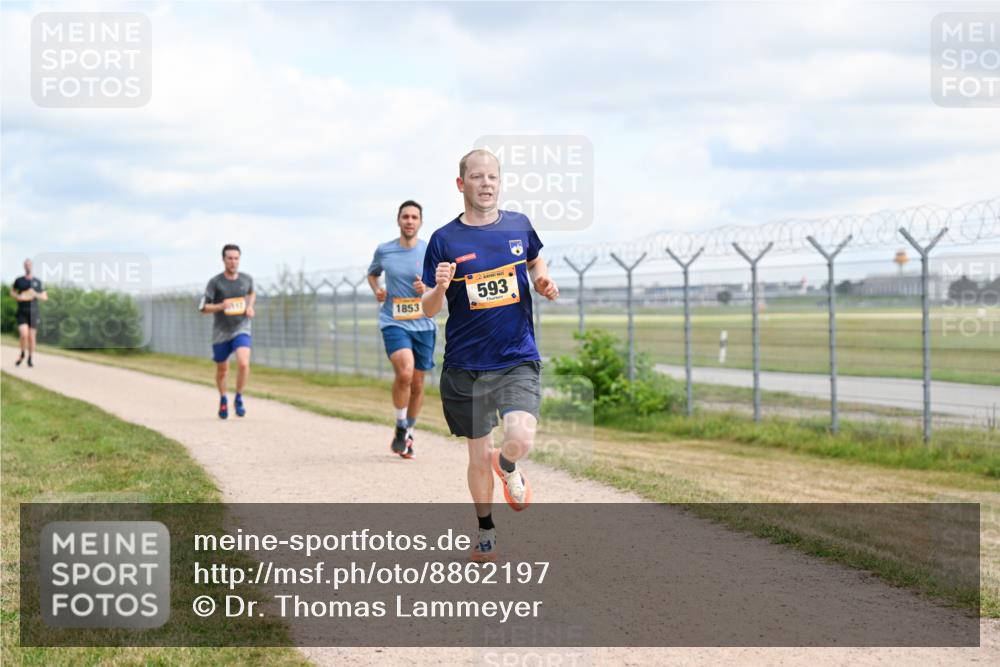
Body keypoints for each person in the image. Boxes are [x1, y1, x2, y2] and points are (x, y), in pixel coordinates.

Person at [421, 149, 559, 562]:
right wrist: (441, 286)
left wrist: (542, 280)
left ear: (500, 182)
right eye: (477, 177)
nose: (486, 184)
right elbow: (428, 308)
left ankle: (508, 463)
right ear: (461, 185)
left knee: (520, 437)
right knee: (476, 455)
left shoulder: (519, 225)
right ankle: (485, 530)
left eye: (492, 177)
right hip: (466, 364)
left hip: (516, 355)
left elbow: (535, 259)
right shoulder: (444, 240)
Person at [367, 200, 438, 459]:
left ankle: (407, 432)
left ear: (420, 222)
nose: (409, 221)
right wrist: (377, 290)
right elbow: (373, 274)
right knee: (405, 372)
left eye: (414, 217)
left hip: (424, 323)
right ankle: (399, 423)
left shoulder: (431, 250)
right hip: (393, 320)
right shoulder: (384, 251)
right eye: (405, 216)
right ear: (398, 220)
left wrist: (427, 289)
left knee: (418, 384)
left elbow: (441, 285)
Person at [200, 244, 255, 419]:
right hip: (221, 332)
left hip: (241, 327)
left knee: (243, 363)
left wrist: (250, 307)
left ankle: (238, 397)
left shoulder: (246, 279)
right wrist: (221, 305)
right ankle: (223, 398)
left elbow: (251, 293)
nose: (233, 262)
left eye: (236, 258)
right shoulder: (215, 282)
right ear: (223, 260)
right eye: (230, 258)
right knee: (223, 370)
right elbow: (203, 307)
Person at [10, 258, 48, 367]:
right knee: (24, 334)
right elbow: (12, 292)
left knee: (31, 337)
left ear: (32, 266)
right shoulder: (19, 280)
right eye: (26, 265)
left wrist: (34, 293)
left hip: (33, 312)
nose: (28, 266)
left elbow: (45, 297)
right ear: (24, 266)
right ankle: (22, 353)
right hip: (22, 312)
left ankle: (30, 358)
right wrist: (18, 296)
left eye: (29, 264)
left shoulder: (38, 282)